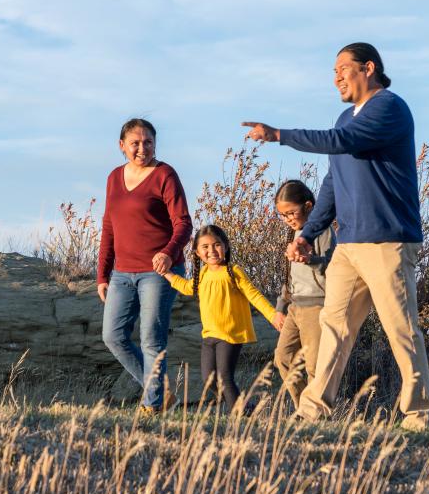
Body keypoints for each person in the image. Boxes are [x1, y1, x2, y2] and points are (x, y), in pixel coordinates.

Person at [241, 42, 429, 429]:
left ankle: (419, 413)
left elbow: (342, 142)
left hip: (387, 240)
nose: (335, 79)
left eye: (341, 70)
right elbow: (333, 181)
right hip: (349, 244)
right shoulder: (345, 116)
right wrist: (308, 232)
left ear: (368, 68)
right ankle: (312, 409)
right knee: (335, 326)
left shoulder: (389, 108)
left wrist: (280, 134)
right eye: (332, 73)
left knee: (401, 328)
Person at [98, 118, 193, 414]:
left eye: (148, 142)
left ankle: (151, 407)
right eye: (135, 143)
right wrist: (102, 273)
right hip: (122, 273)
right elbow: (109, 227)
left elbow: (183, 223)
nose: (142, 148)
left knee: (151, 339)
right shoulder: (114, 177)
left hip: (159, 271)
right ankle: (161, 392)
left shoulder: (164, 174)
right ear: (122, 145)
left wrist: (168, 252)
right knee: (113, 336)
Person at [159, 224, 284, 411]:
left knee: (225, 377)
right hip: (209, 335)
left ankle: (241, 415)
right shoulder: (202, 275)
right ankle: (246, 407)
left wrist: (273, 315)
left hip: (230, 334)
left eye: (217, 245)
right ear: (197, 253)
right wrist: (166, 273)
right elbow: (186, 287)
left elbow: (254, 295)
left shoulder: (233, 272)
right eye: (205, 247)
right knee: (209, 379)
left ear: (225, 246)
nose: (212, 250)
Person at [272, 179, 335, 409]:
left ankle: (316, 414)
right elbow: (288, 276)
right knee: (283, 357)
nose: (288, 219)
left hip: (317, 305)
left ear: (308, 206)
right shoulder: (293, 235)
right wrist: (280, 307)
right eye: (283, 215)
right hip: (294, 308)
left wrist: (311, 260)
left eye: (291, 213)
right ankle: (303, 408)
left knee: (314, 365)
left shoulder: (322, 231)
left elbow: (333, 265)